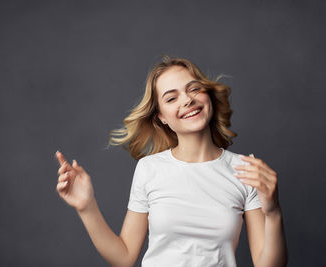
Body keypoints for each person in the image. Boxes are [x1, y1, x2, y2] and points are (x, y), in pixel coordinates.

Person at [55, 56, 288, 267]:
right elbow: (123, 257)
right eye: (171, 98)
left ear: (208, 96)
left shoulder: (245, 170)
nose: (186, 100)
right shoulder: (149, 169)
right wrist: (87, 207)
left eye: (194, 89)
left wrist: (273, 211)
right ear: (162, 117)